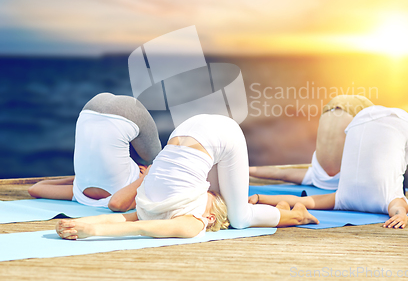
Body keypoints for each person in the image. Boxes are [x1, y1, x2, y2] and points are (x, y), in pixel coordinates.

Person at [56, 114, 318, 240]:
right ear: (210, 218)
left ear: (210, 217)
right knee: (240, 219)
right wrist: (90, 229)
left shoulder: (181, 217)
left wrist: (85, 225)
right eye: (213, 192)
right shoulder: (192, 219)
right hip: (218, 134)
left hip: (191, 128)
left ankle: (289, 211)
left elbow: (132, 222)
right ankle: (298, 214)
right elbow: (138, 224)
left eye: (213, 193)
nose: (211, 189)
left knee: (238, 219)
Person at [249, 106, 408, 229]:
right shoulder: (344, 198)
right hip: (365, 121)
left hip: (381, 122)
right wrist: (260, 198)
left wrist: (401, 216)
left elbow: (398, 209)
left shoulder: (349, 198)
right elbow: (398, 209)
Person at [28, 92, 162, 211]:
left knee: (158, 161)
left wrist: (146, 176)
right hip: (90, 111)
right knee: (156, 160)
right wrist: (146, 178)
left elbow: (34, 189)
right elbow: (36, 189)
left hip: (111, 109)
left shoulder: (78, 193)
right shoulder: (79, 193)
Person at [249, 95, 374, 189]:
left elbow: (279, 173)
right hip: (332, 110)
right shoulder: (318, 177)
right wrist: (245, 170)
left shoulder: (325, 177)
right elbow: (280, 173)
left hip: (350, 108)